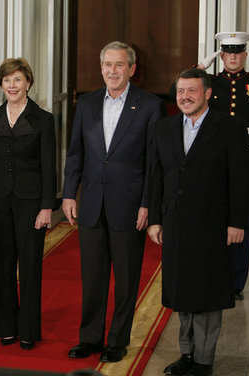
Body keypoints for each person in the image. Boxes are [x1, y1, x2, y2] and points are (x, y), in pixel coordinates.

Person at [62, 41, 165, 363]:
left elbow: (153, 161)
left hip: (129, 204)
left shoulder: (149, 105)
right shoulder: (88, 103)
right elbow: (76, 152)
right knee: (92, 277)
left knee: (126, 277)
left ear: (131, 69)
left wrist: (148, 203)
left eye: (119, 65)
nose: (112, 71)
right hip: (91, 201)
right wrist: (68, 193)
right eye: (107, 64)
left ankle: (117, 341)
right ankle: (89, 338)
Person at [148, 68, 249, 376]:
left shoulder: (230, 128)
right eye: (180, 92)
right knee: (183, 293)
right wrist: (155, 219)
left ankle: (204, 360)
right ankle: (187, 354)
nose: (185, 97)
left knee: (207, 296)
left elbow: (241, 180)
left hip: (214, 225)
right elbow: (156, 177)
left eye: (192, 91)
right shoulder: (163, 128)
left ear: (207, 93)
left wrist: (238, 223)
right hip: (176, 223)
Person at [197, 31, 249, 300]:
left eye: (237, 52)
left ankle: (236, 282)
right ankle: (213, 274)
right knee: (212, 217)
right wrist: (199, 69)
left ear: (244, 54)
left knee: (241, 218)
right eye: (227, 52)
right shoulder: (207, 82)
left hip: (246, 156)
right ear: (221, 55)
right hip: (213, 157)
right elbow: (179, 93)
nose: (233, 57)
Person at [0, 58, 58, 351]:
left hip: (31, 203)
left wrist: (46, 207)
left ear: (28, 83)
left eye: (18, 80)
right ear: (1, 85)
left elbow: (49, 165)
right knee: (2, 265)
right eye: (7, 81)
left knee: (29, 267)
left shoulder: (43, 119)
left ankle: (28, 329)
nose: (12, 86)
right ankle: (6, 327)